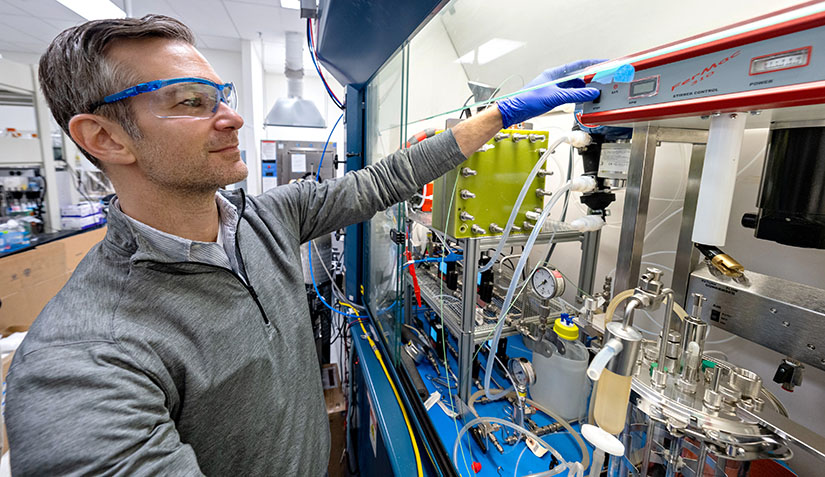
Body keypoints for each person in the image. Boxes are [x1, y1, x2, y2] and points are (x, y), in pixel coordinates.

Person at [5, 14, 600, 476]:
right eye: (191, 101)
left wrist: (502, 115)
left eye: (221, 94)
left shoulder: (265, 219)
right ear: (105, 138)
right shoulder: (84, 361)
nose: (232, 119)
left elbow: (383, 180)